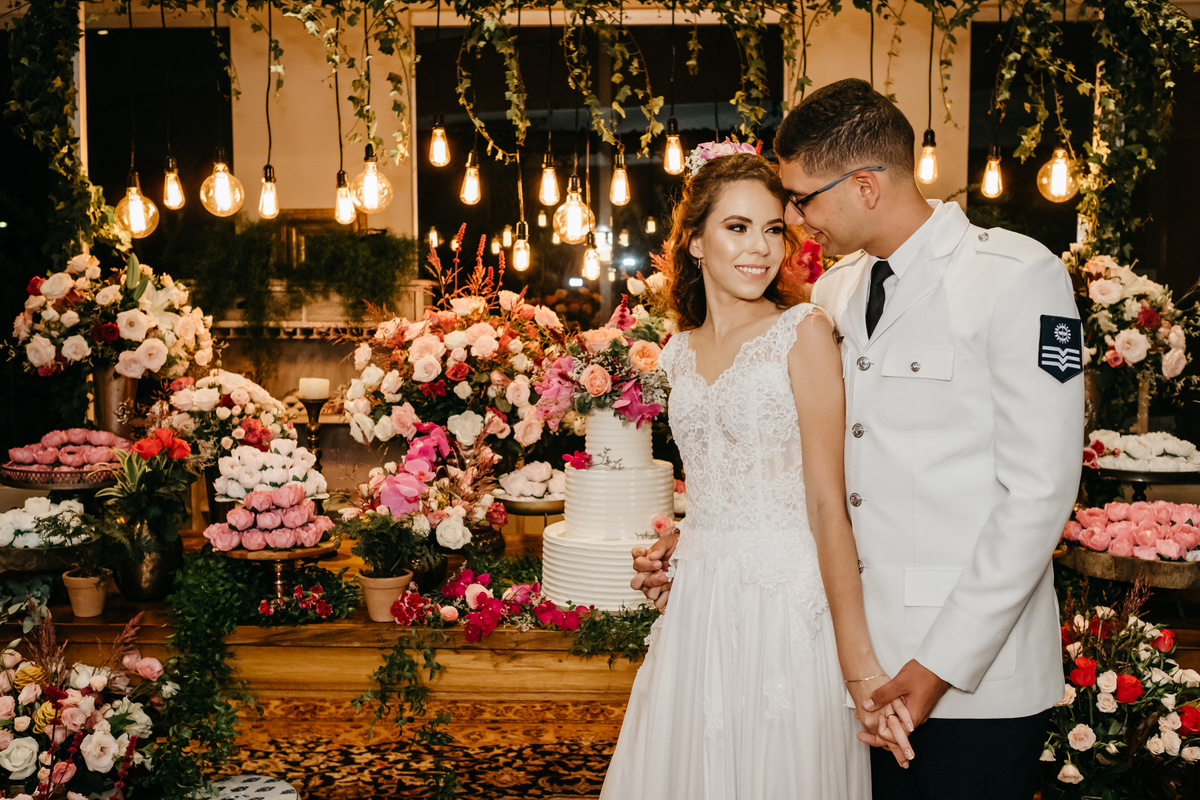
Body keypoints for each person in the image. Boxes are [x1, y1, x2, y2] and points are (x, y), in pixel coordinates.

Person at [633, 79, 1084, 800]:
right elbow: (808, 463)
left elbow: (1040, 493)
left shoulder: (1015, 278)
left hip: (974, 677)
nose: (793, 221)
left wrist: (938, 666)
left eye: (800, 201)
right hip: (842, 662)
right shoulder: (838, 291)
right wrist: (703, 541)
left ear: (865, 186)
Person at [601, 148, 911, 800]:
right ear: (694, 241)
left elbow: (827, 502)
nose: (761, 247)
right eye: (737, 227)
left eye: (772, 228)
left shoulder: (803, 332)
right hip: (699, 603)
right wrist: (679, 543)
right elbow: (719, 481)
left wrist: (858, 660)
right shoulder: (678, 352)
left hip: (787, 601)